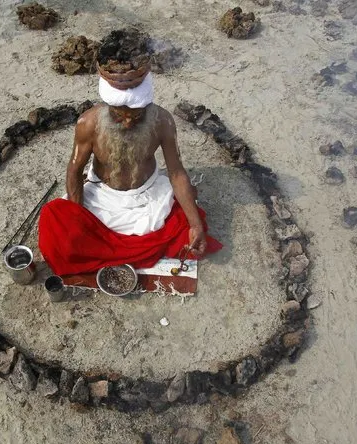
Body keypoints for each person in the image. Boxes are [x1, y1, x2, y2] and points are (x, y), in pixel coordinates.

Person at [38, 30, 221, 276]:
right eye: (118, 115)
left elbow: (177, 173)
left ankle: (115, 249)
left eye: (134, 116)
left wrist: (195, 225)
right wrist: (79, 219)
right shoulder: (88, 123)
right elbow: (75, 169)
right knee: (57, 224)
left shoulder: (162, 121)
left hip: (149, 200)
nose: (126, 123)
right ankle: (117, 245)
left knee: (191, 224)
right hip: (101, 198)